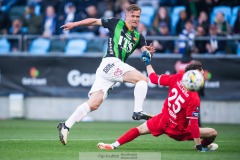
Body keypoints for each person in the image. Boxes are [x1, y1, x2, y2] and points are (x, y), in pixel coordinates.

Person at [57, 4, 155, 145]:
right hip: (110, 62)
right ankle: (138, 111)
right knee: (143, 79)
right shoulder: (116, 23)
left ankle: (65, 126)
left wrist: (148, 52)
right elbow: (94, 21)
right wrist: (75, 24)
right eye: (132, 16)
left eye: (137, 16)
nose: (135, 19)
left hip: (109, 69)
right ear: (126, 15)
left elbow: (144, 50)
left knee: (94, 103)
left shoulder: (139, 37)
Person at [97, 55, 218, 152]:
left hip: (163, 119)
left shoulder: (178, 77)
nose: (202, 75)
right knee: (213, 133)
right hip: (178, 130)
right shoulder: (194, 98)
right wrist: (198, 145)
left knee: (139, 130)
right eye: (200, 73)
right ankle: (202, 147)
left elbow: (154, 78)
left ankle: (113, 145)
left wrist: (147, 62)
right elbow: (193, 125)